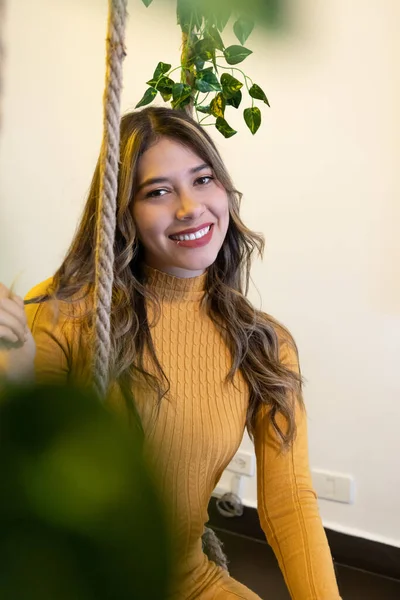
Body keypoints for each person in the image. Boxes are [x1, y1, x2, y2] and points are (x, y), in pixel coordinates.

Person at [0, 107, 341, 599]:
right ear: (122, 212)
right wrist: (17, 376)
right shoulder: (62, 315)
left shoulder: (264, 343)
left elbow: (290, 503)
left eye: (203, 180)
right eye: (157, 192)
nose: (189, 207)